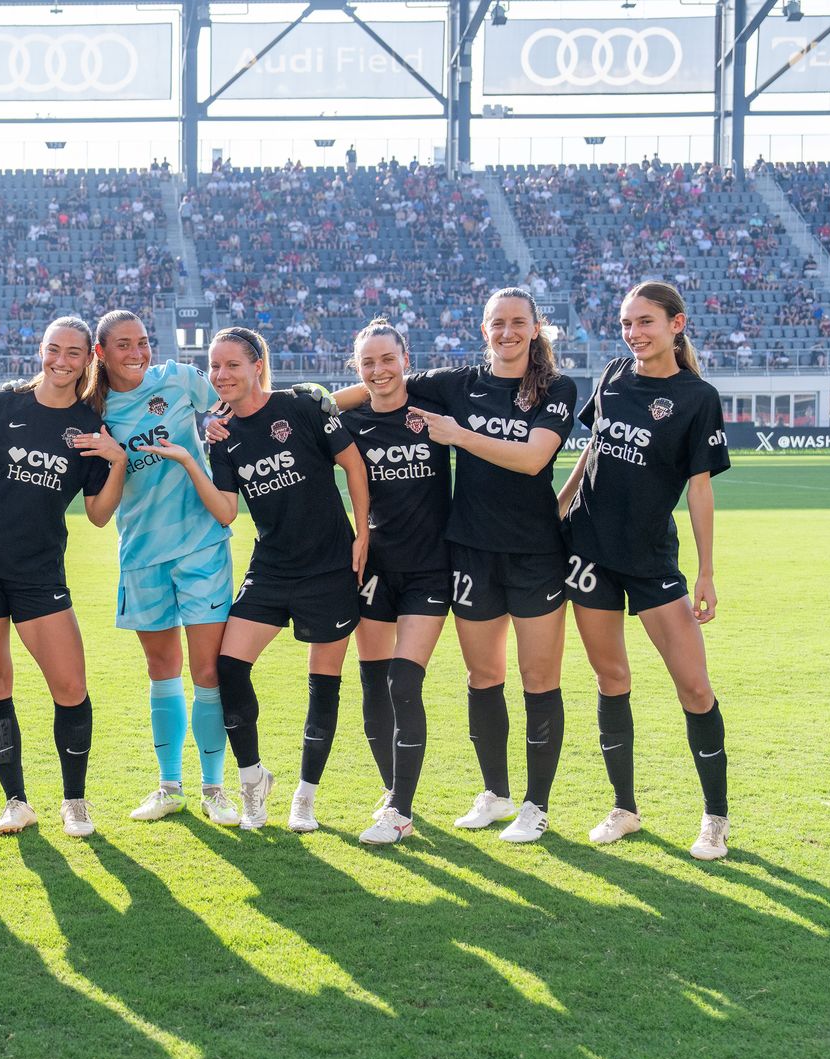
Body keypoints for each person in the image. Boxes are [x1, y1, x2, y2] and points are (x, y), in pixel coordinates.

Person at [332, 287, 578, 843]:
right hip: (469, 550)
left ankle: (536, 805)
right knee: (483, 677)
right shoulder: (458, 383)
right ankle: (495, 794)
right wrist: (301, 403)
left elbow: (534, 457)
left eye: (518, 323)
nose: (508, 332)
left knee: (539, 680)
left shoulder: (557, 388)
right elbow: (379, 385)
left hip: (535, 552)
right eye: (497, 323)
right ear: (483, 328)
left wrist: (458, 434)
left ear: (535, 329)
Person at [559, 281, 732, 860]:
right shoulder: (612, 375)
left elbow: (700, 491)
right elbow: (593, 452)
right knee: (612, 680)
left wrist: (706, 573)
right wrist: (558, 508)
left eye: (646, 322)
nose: (634, 333)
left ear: (676, 325)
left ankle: (714, 819)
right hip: (589, 552)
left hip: (652, 560)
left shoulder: (697, 397)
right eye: (628, 323)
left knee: (695, 686)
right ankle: (624, 808)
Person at [0, 315, 127, 837]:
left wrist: (117, 463)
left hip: (40, 571)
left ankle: (75, 802)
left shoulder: (91, 425)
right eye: (53, 349)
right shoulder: (4, 404)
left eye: (73, 353)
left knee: (70, 685)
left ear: (89, 359)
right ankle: (16, 801)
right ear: (41, 350)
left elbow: (98, 514)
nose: (60, 361)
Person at [191, 328, 370, 831]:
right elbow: (227, 511)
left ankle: (306, 798)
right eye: (215, 368)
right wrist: (192, 458)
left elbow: (353, 468)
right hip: (271, 567)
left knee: (323, 683)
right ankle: (253, 782)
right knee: (228, 668)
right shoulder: (221, 436)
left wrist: (362, 535)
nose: (222, 376)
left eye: (232, 365)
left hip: (329, 567)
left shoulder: (302, 406)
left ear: (256, 366)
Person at [90, 310, 239, 827]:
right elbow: (97, 511)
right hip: (142, 554)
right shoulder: (95, 411)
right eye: (124, 345)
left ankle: (215, 789)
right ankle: (169, 786)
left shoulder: (177, 379)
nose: (137, 353)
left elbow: (235, 397)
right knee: (162, 672)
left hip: (201, 546)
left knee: (207, 672)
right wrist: (114, 458)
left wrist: (221, 423)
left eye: (143, 342)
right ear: (101, 354)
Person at [338, 320, 453, 845]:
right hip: (374, 569)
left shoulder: (432, 409)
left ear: (406, 358)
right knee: (374, 683)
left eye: (387, 359)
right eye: (368, 363)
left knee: (404, 683)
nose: (379, 371)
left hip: (429, 569)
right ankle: (393, 793)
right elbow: (299, 411)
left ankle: (400, 811)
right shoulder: (350, 423)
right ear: (357, 369)